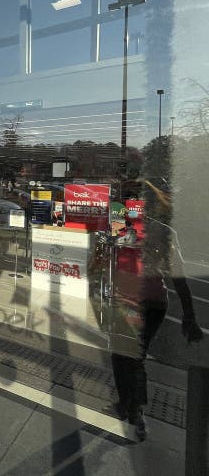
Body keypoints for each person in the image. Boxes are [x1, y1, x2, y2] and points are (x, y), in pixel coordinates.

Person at [107, 179, 202, 441]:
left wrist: (190, 315)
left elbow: (178, 275)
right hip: (129, 299)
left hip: (147, 303)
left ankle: (134, 411)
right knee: (121, 355)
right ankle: (127, 405)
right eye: (125, 196)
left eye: (132, 196)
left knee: (132, 356)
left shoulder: (158, 231)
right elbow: (112, 258)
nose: (127, 201)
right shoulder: (123, 224)